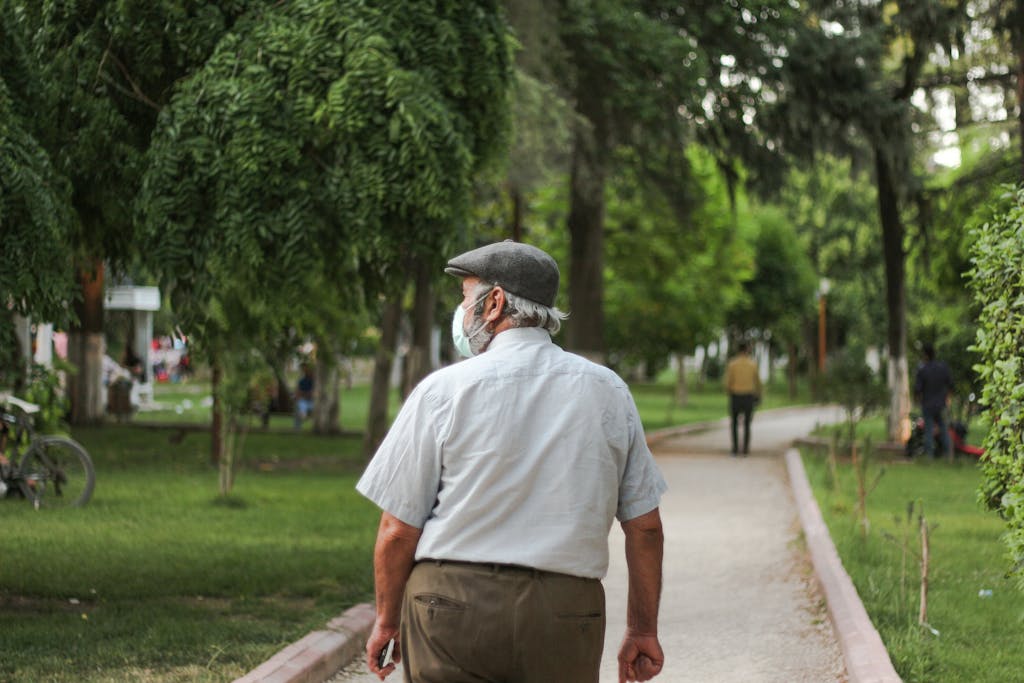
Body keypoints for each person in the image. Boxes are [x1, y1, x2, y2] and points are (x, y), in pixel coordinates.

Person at [356, 241, 668, 683]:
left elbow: (397, 531)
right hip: (565, 613)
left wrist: (387, 621)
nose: (462, 313)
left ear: (495, 302)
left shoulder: (442, 391)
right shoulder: (608, 392)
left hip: (450, 607)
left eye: (466, 298)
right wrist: (642, 629)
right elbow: (646, 527)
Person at [914, 343, 953, 459]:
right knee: (944, 428)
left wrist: (916, 400)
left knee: (929, 430)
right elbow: (951, 385)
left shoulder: (923, 369)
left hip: (928, 404)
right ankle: (948, 454)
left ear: (925, 355)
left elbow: (917, 389)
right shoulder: (943, 367)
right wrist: (947, 398)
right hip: (941, 403)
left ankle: (929, 455)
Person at [724, 342, 762, 456]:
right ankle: (745, 449)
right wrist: (759, 394)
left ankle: (735, 449)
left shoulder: (732, 364)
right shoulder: (753, 364)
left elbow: (727, 382)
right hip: (748, 396)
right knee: (747, 424)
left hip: (735, 396)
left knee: (734, 423)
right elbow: (758, 382)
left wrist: (729, 391)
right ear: (747, 350)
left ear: (738, 351)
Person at [293, 364, 314, 430]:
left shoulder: (315, 381)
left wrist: (305, 394)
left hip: (312, 401)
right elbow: (299, 392)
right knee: (301, 407)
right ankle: (298, 427)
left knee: (310, 408)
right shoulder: (302, 381)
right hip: (304, 400)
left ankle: (305, 417)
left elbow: (313, 393)